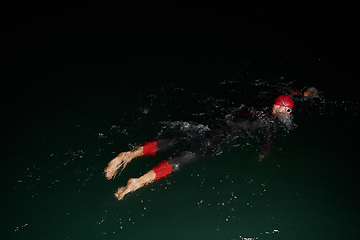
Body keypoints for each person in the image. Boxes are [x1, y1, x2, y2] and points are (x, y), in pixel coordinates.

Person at [104, 87, 318, 200]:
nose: (288, 113)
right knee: (182, 158)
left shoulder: (263, 102)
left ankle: (128, 155)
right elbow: (266, 144)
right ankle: (138, 182)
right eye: (288, 110)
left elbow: (286, 94)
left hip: (214, 121)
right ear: (282, 110)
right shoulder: (269, 125)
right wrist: (263, 155)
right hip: (220, 136)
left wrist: (300, 93)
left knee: (173, 140)